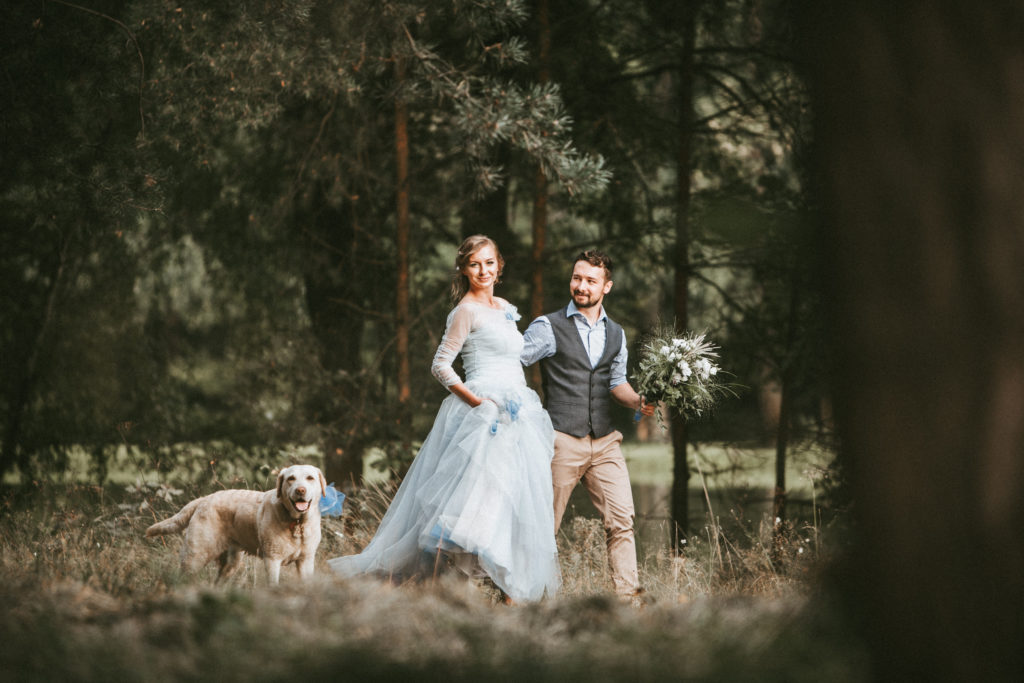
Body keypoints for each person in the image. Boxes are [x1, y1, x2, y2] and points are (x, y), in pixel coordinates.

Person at [328, 235, 560, 603]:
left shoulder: (505, 307)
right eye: (474, 264)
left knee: (507, 501)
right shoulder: (465, 311)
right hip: (483, 415)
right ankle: (435, 590)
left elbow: (514, 357)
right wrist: (477, 401)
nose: (483, 270)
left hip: (518, 413)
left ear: (499, 266)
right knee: (469, 507)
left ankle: (506, 590)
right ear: (464, 269)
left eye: (489, 263)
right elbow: (440, 365)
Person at [521, 249, 655, 598]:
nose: (581, 286)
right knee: (543, 526)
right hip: (561, 438)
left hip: (606, 440)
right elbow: (510, 363)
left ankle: (628, 603)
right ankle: (527, 597)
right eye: (576, 278)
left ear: (606, 286)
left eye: (590, 281)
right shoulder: (547, 327)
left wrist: (641, 401)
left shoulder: (617, 333)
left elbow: (616, 384)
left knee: (622, 521)